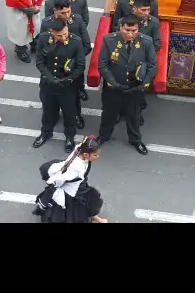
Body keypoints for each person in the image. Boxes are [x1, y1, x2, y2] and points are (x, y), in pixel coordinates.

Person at [97, 15, 157, 155]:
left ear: (138, 29)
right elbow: (103, 65)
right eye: (127, 30)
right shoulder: (109, 40)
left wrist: (144, 84)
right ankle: (104, 136)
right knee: (108, 114)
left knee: (134, 115)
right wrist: (113, 83)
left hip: (135, 88)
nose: (130, 34)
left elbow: (152, 66)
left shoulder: (146, 42)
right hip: (114, 87)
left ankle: (135, 140)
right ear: (121, 27)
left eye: (134, 30)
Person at [33, 19, 85, 152]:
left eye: (65, 33)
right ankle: (46, 132)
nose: (63, 37)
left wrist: (69, 79)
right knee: (48, 111)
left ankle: (69, 137)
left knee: (69, 113)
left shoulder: (76, 41)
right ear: (52, 32)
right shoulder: (44, 39)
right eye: (59, 35)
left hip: (67, 86)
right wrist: (50, 79)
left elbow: (80, 65)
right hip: (48, 84)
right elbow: (40, 62)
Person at [33, 135, 106, 224]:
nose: (97, 156)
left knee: (86, 203)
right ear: (86, 155)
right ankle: (95, 219)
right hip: (73, 192)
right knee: (79, 208)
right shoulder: (76, 168)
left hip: (80, 186)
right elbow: (60, 180)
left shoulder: (80, 150)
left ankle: (95, 219)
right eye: (95, 155)